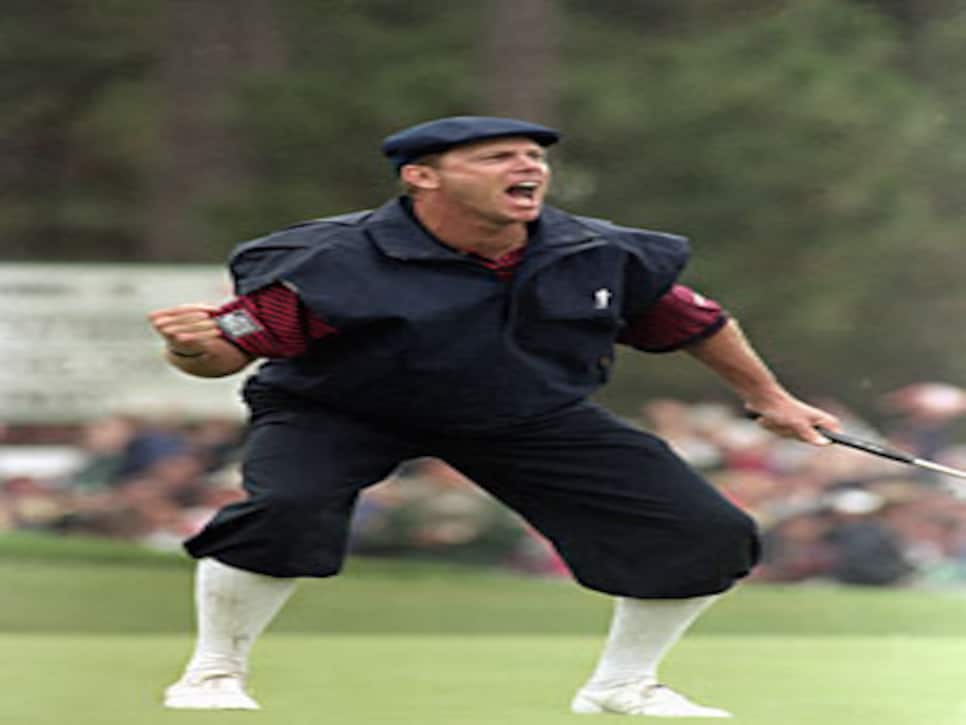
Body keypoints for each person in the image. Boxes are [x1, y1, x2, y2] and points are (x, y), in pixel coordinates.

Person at [148, 116, 841, 717]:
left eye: (534, 157)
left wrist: (769, 397)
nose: (527, 166)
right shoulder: (330, 260)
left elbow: (694, 321)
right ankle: (214, 670)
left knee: (706, 531)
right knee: (287, 508)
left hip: (523, 411)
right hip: (342, 408)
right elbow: (227, 353)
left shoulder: (593, 249)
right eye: (497, 156)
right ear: (422, 176)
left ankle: (623, 683)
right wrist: (190, 350)